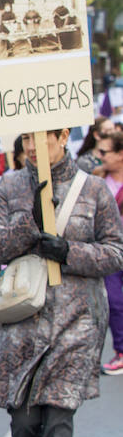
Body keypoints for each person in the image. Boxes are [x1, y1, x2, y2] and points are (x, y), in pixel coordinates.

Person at [0, 128, 123, 437]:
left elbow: (116, 253)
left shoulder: (94, 189)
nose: (31, 146)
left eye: (40, 137)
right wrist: (28, 224)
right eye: (26, 139)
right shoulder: (9, 185)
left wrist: (69, 252)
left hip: (76, 323)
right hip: (21, 322)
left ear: (62, 136)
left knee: (58, 425)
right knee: (24, 426)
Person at [95, 131, 123, 375]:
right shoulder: (97, 181)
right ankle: (121, 351)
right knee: (114, 302)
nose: (99, 156)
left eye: (104, 152)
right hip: (111, 251)